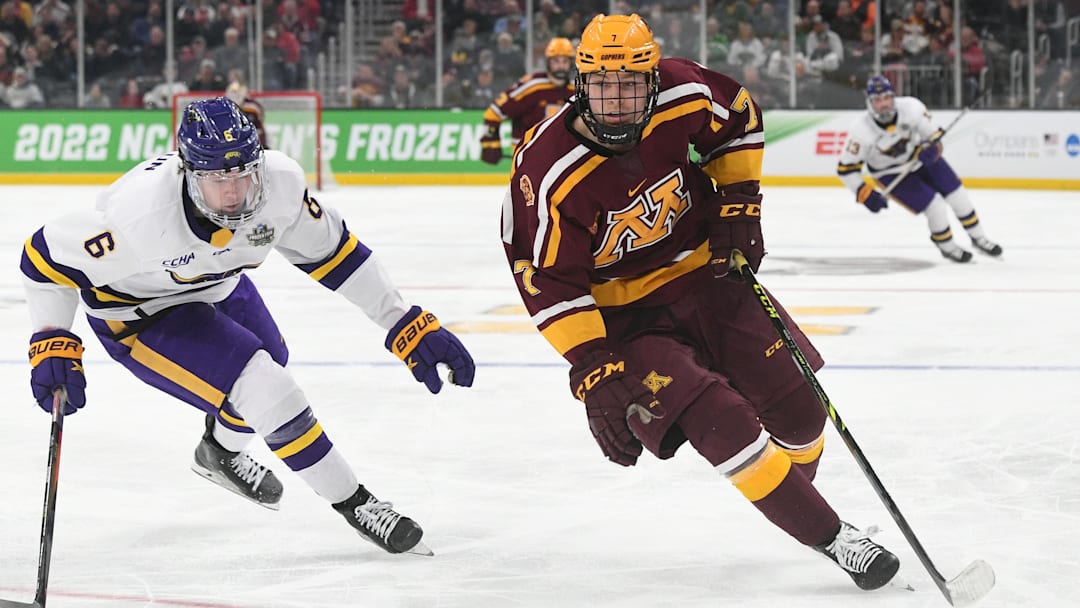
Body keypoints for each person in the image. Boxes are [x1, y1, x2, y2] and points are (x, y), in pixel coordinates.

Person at [501, 13, 900, 591]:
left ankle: (791, 502)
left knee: (802, 413)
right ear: (581, 84)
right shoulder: (548, 168)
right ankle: (835, 538)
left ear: (653, 81)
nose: (615, 104)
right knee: (727, 422)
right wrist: (593, 366)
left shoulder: (684, 90)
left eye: (630, 86)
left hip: (707, 274)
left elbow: (738, 115)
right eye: (603, 88)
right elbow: (546, 280)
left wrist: (740, 201)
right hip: (627, 319)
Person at [22, 97, 475, 556]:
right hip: (140, 314)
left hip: (216, 285)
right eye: (220, 180)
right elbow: (43, 258)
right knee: (269, 390)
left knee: (271, 363)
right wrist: (51, 338)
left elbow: (338, 256)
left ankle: (219, 452)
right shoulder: (139, 220)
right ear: (189, 174)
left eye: (244, 174)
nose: (237, 193)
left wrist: (404, 322)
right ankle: (356, 504)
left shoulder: (278, 188)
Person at [837, 75, 1002, 262]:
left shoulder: (911, 108)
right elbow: (846, 169)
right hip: (889, 173)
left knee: (958, 195)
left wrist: (931, 149)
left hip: (919, 158)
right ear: (869, 103)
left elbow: (933, 137)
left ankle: (979, 237)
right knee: (936, 206)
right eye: (877, 100)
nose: (883, 104)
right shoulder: (860, 131)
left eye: (887, 98)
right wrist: (864, 193)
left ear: (893, 96)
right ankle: (947, 246)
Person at [479, 37, 575, 165]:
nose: (560, 66)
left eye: (565, 61)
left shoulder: (576, 90)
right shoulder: (532, 86)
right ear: (548, 62)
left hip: (562, 159)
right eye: (556, 61)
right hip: (528, 156)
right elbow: (494, 112)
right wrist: (490, 141)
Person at [225, 77, 270, 148]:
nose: (236, 95)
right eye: (233, 92)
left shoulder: (253, 107)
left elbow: (260, 128)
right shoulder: (222, 108)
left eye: (238, 92)